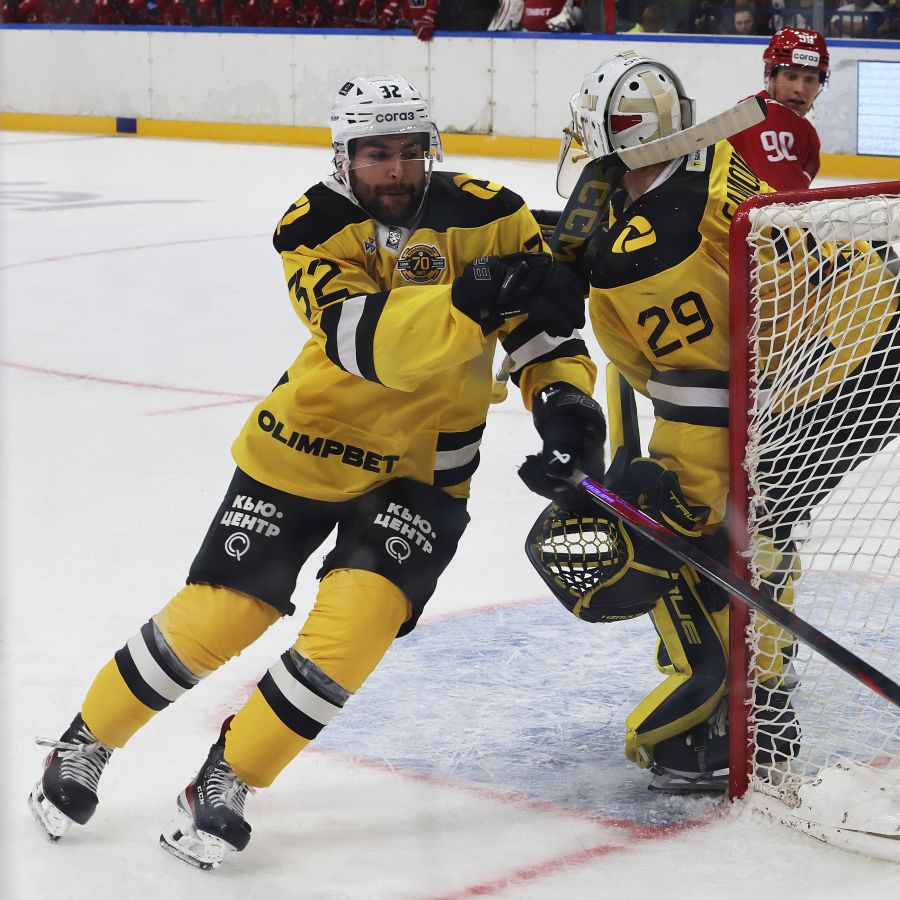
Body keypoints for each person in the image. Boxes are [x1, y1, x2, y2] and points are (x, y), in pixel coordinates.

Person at [27, 73, 601, 868]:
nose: (394, 169)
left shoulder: (492, 215)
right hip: (307, 446)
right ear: (344, 157)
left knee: (359, 625)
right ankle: (85, 742)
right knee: (226, 613)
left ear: (429, 149)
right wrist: (472, 296)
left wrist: (567, 407)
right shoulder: (313, 224)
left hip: (427, 467)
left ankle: (229, 775)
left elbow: (541, 333)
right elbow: (364, 341)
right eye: (375, 154)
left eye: (408, 151)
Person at [523, 51, 900, 791]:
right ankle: (749, 686)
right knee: (735, 519)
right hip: (841, 345)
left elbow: (700, 377)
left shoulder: (669, 234)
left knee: (737, 523)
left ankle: (754, 710)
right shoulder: (692, 172)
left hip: (858, 362)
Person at [727, 27, 828, 192]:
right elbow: (785, 202)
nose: (800, 89)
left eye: (810, 79)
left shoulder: (806, 132)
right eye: (791, 76)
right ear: (771, 76)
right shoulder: (759, 115)